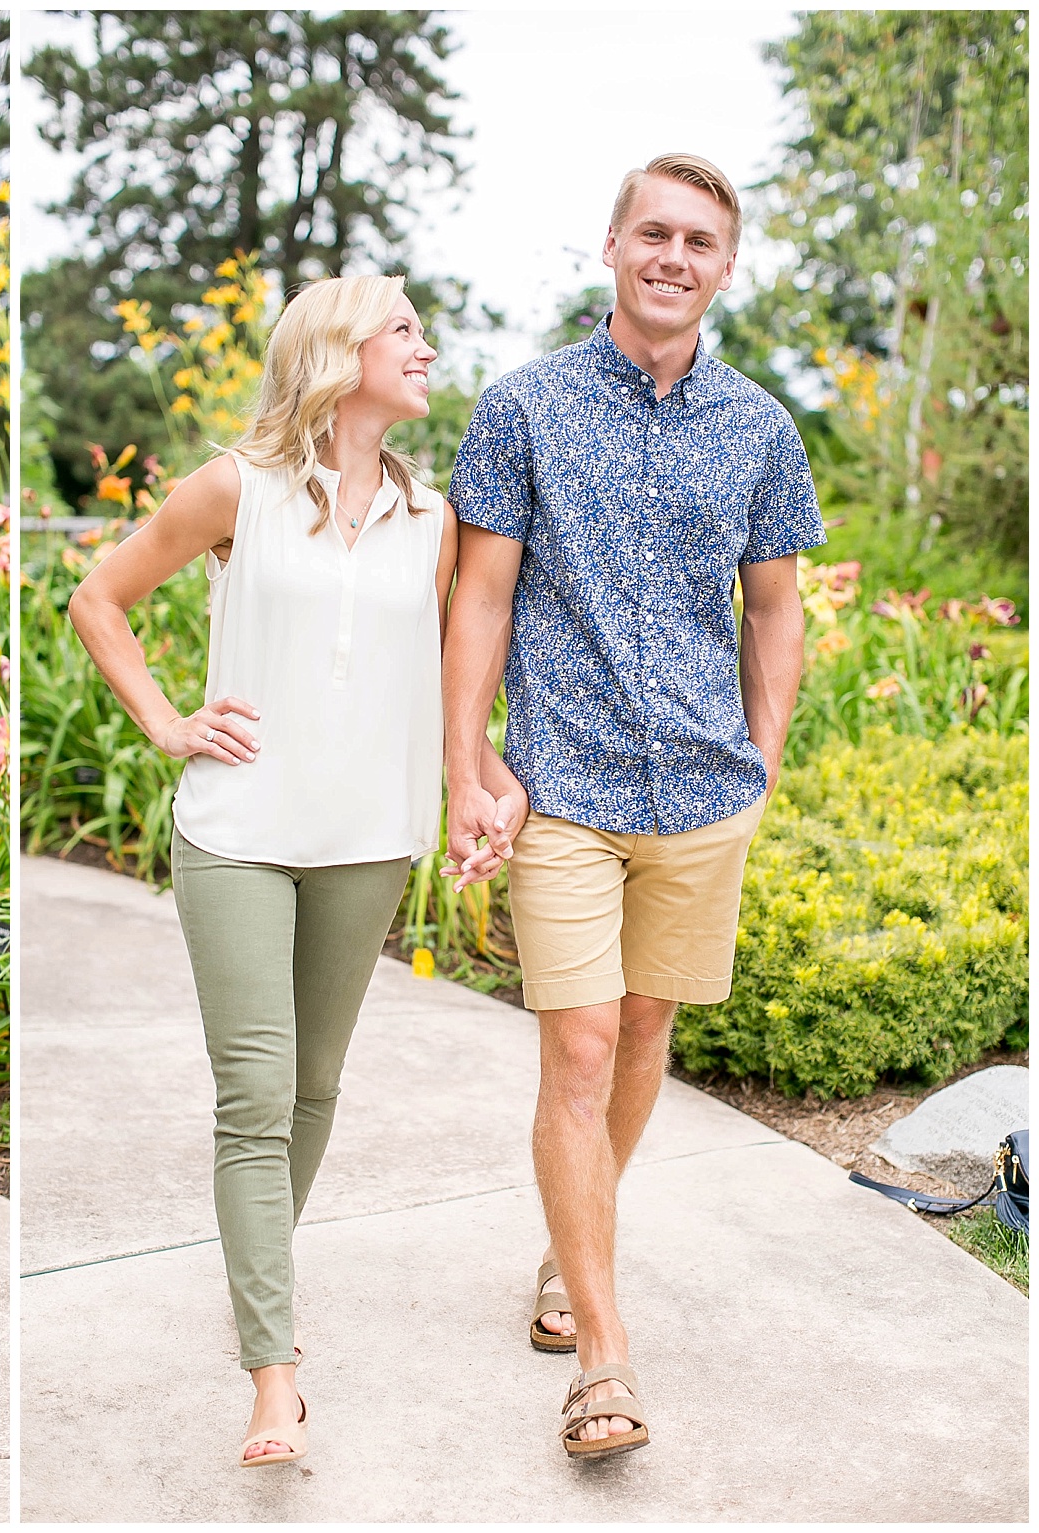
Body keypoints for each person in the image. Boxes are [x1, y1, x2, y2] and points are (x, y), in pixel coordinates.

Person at [69, 274, 524, 1467]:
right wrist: (168, 723)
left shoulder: (434, 519)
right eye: (405, 331)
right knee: (256, 1095)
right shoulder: (237, 487)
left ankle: (253, 1268)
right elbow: (96, 596)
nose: (427, 348)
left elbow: (447, 666)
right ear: (336, 352)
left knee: (313, 1085)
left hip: (368, 836)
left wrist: (472, 781)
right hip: (236, 832)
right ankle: (273, 1377)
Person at [444, 153, 822, 1459]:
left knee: (649, 1026)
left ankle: (569, 1252)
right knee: (583, 1045)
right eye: (653, 231)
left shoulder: (762, 427)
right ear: (612, 245)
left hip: (703, 793)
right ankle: (603, 1357)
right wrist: (467, 761)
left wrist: (760, 762)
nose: (674, 255)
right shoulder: (523, 407)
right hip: (562, 789)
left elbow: (774, 608)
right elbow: (479, 596)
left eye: (700, 241)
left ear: (725, 268)